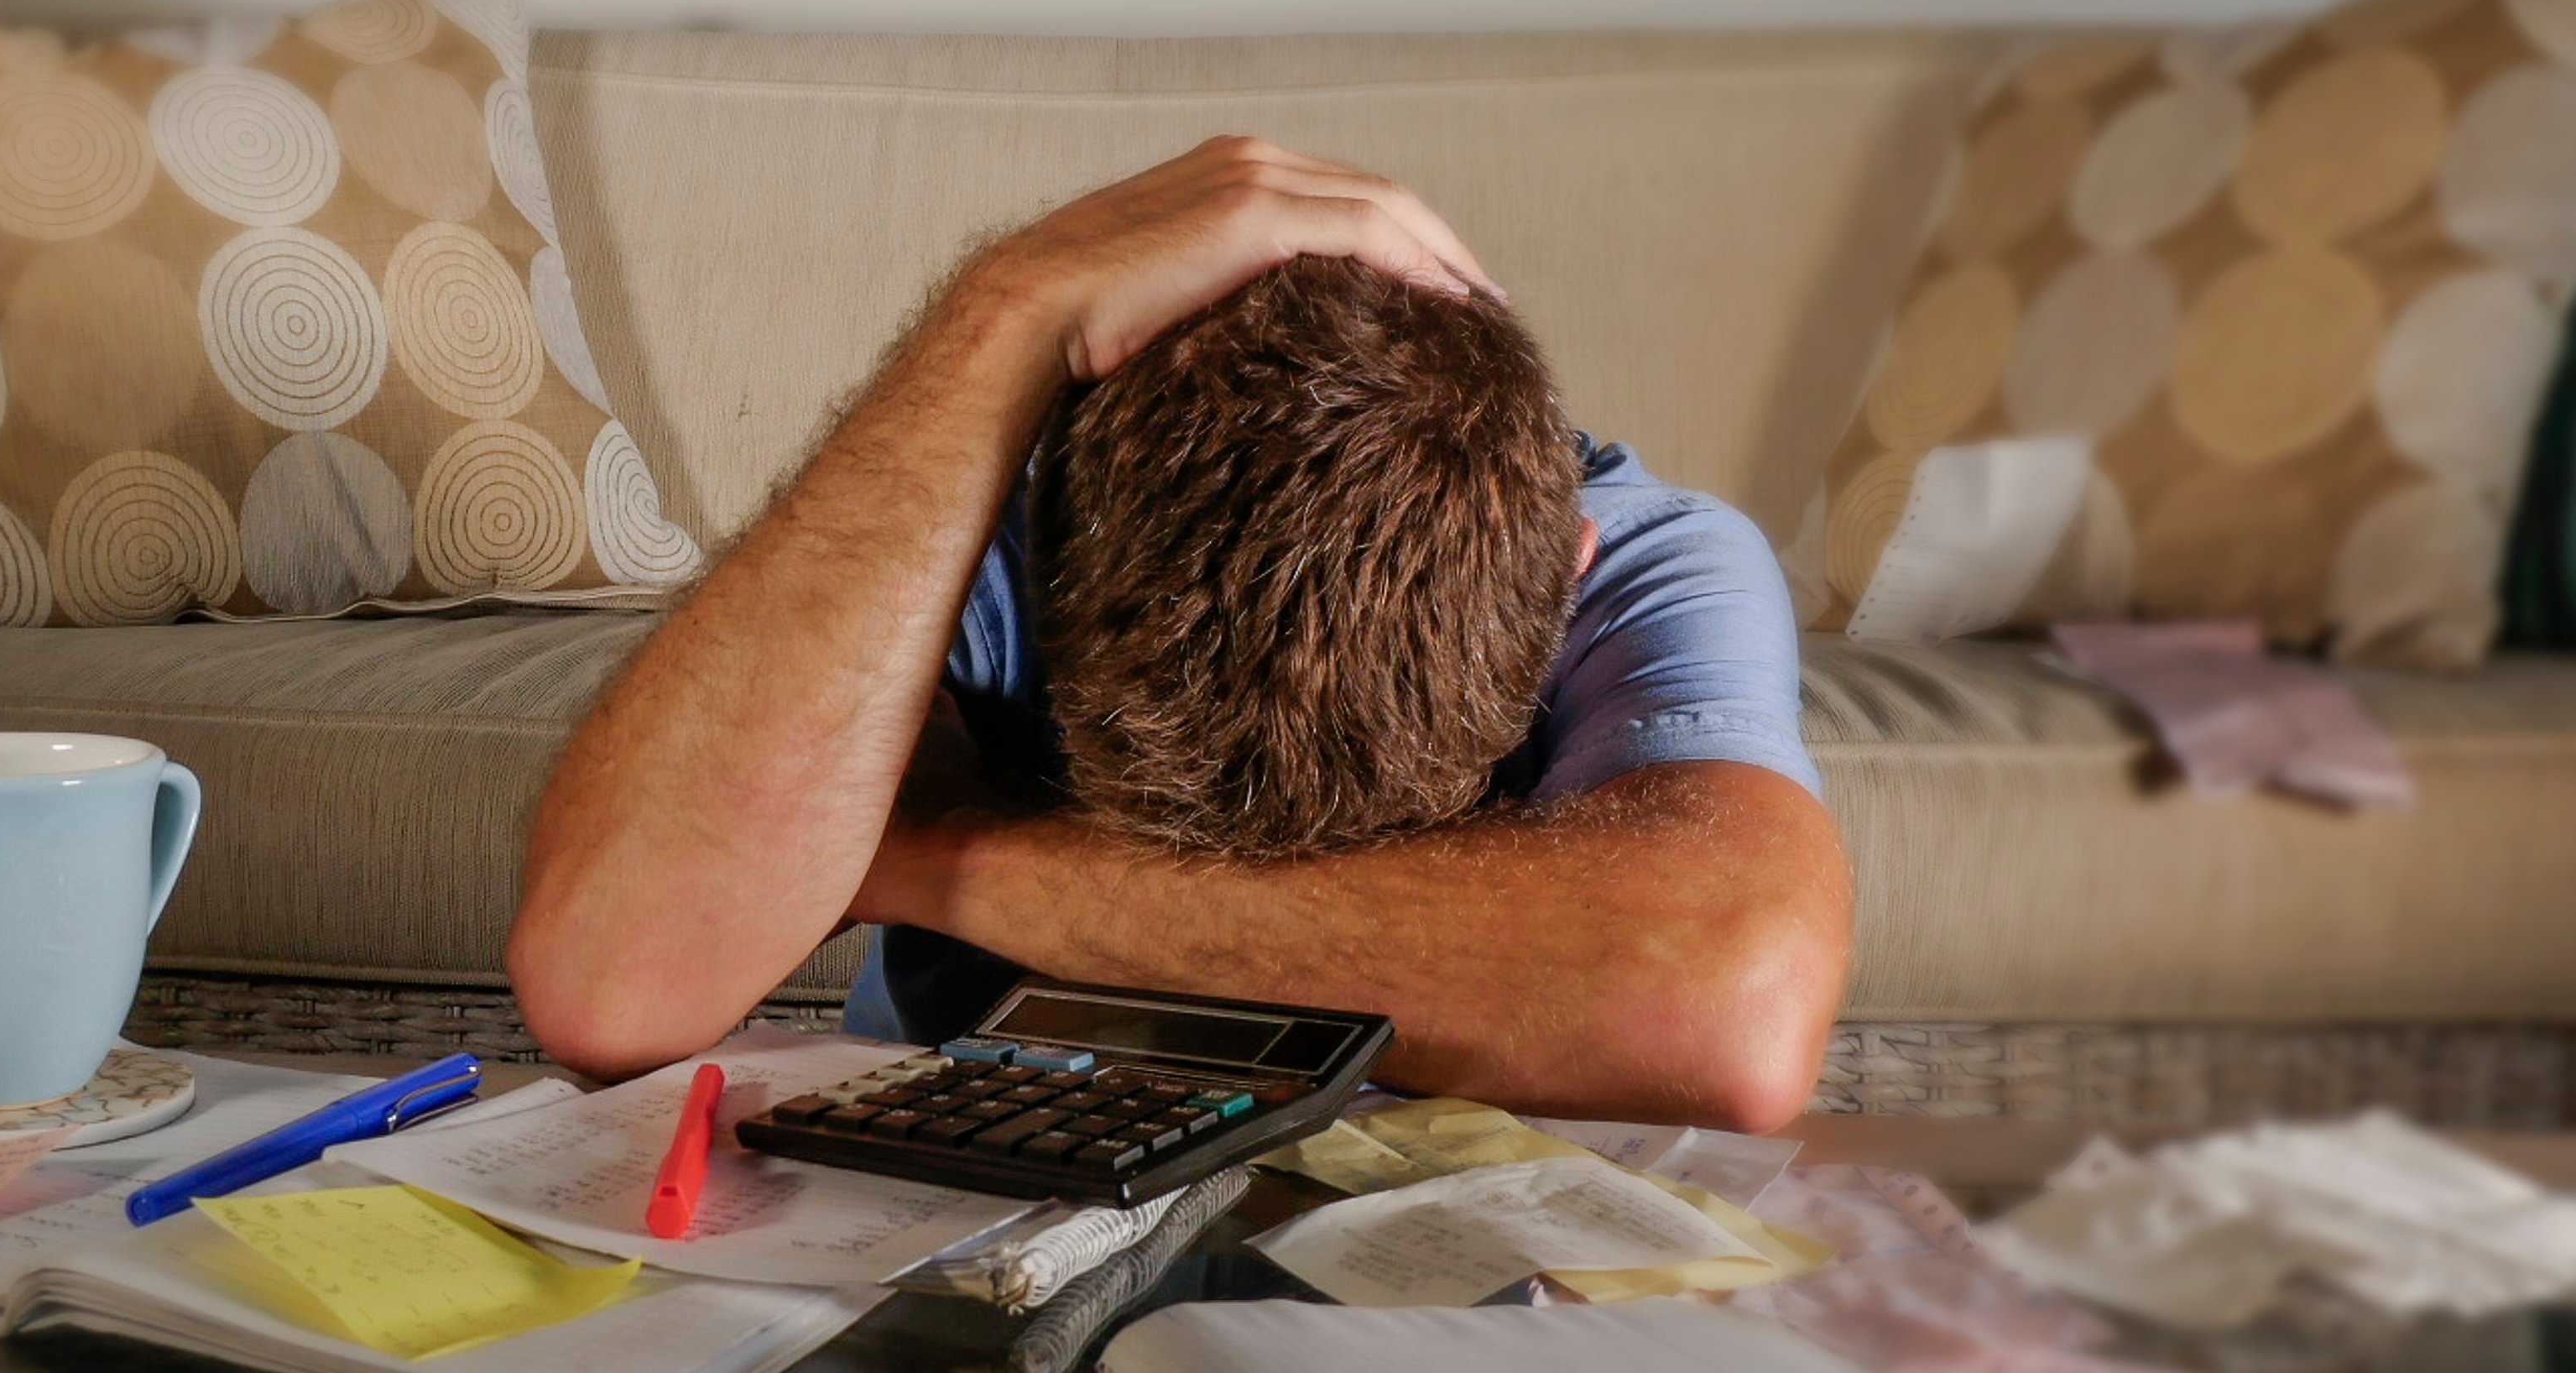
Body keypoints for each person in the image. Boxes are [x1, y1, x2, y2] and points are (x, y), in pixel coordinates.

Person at [509, 138, 1852, 1130]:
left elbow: (1727, 1012)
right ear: (1051, 549)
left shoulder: (1660, 555)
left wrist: (937, 854)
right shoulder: (977, 547)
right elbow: (608, 981)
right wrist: (1006, 310)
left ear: (1572, 571)